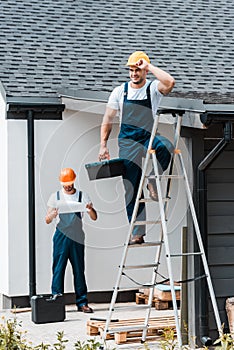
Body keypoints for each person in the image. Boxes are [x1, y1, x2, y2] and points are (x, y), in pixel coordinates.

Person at [99, 51, 175, 244]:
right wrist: (103, 145)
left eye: (137, 69)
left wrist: (148, 66)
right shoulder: (119, 91)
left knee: (166, 147)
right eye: (131, 69)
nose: (134, 73)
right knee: (131, 187)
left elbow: (170, 82)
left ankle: (152, 177)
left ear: (144, 71)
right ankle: (138, 232)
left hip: (147, 136)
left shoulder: (153, 88)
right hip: (127, 141)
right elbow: (107, 119)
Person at [45, 167, 97, 313]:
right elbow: (47, 220)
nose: (68, 186)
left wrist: (90, 209)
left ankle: (82, 303)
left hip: (77, 236)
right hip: (61, 236)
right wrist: (52, 214)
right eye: (65, 183)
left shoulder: (83, 196)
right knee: (58, 269)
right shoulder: (55, 197)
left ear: (74, 181)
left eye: (70, 183)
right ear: (61, 183)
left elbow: (94, 217)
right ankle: (57, 301)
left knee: (79, 269)